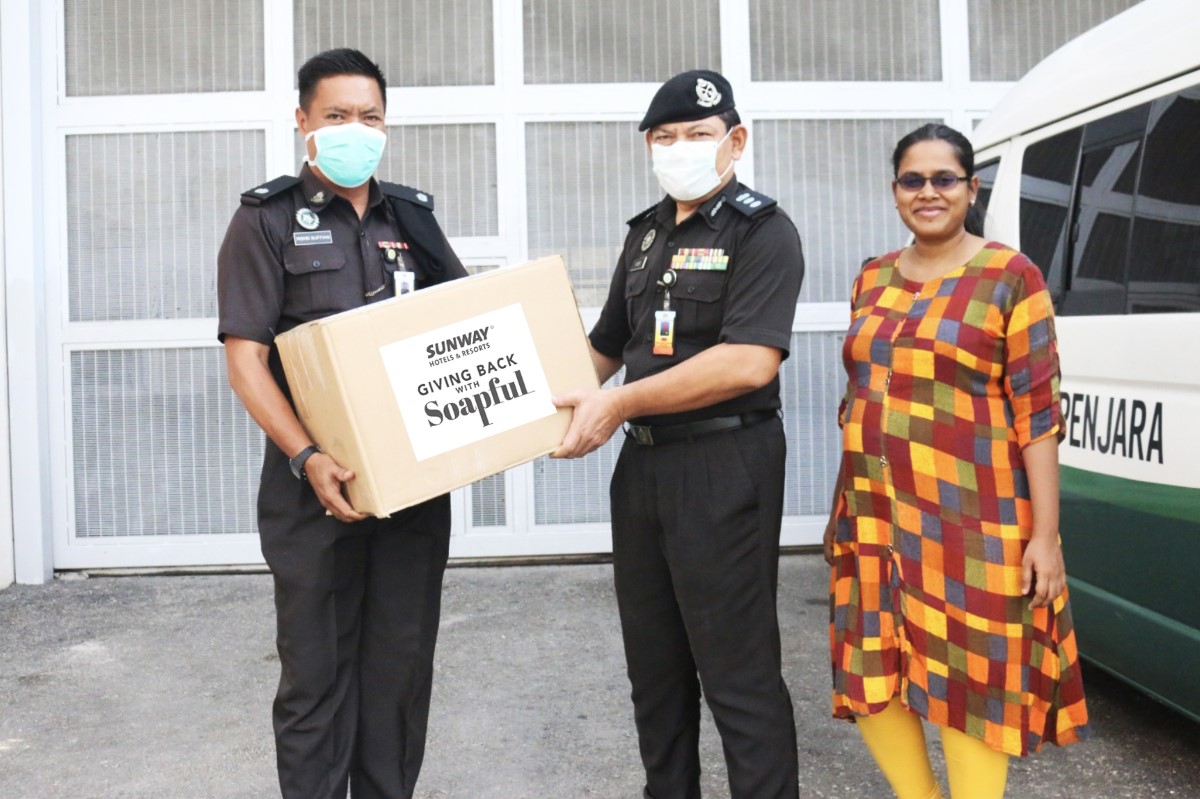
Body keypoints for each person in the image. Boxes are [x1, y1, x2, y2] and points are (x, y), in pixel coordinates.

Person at [217, 48, 467, 799]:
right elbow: (246, 359)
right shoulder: (264, 221)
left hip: (411, 491)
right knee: (316, 683)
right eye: (336, 116)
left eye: (369, 117)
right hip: (309, 492)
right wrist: (306, 456)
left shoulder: (412, 219)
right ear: (303, 121)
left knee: (396, 680)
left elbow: (469, 328)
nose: (354, 129)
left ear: (385, 125)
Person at [552, 70, 803, 799]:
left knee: (737, 671)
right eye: (665, 138)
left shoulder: (763, 231)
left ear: (735, 141)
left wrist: (620, 401)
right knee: (654, 670)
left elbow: (749, 359)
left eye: (698, 135)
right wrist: (506, 399)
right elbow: (603, 345)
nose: (681, 149)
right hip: (644, 471)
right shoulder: (646, 234)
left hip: (726, 463)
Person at [824, 123, 1090, 799]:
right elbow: (859, 394)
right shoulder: (872, 277)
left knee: (973, 682)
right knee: (868, 669)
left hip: (974, 522)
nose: (928, 192)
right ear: (895, 192)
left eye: (945, 178)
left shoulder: (1011, 276)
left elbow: (1038, 416)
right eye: (913, 180)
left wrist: (1046, 535)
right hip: (876, 520)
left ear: (972, 188)